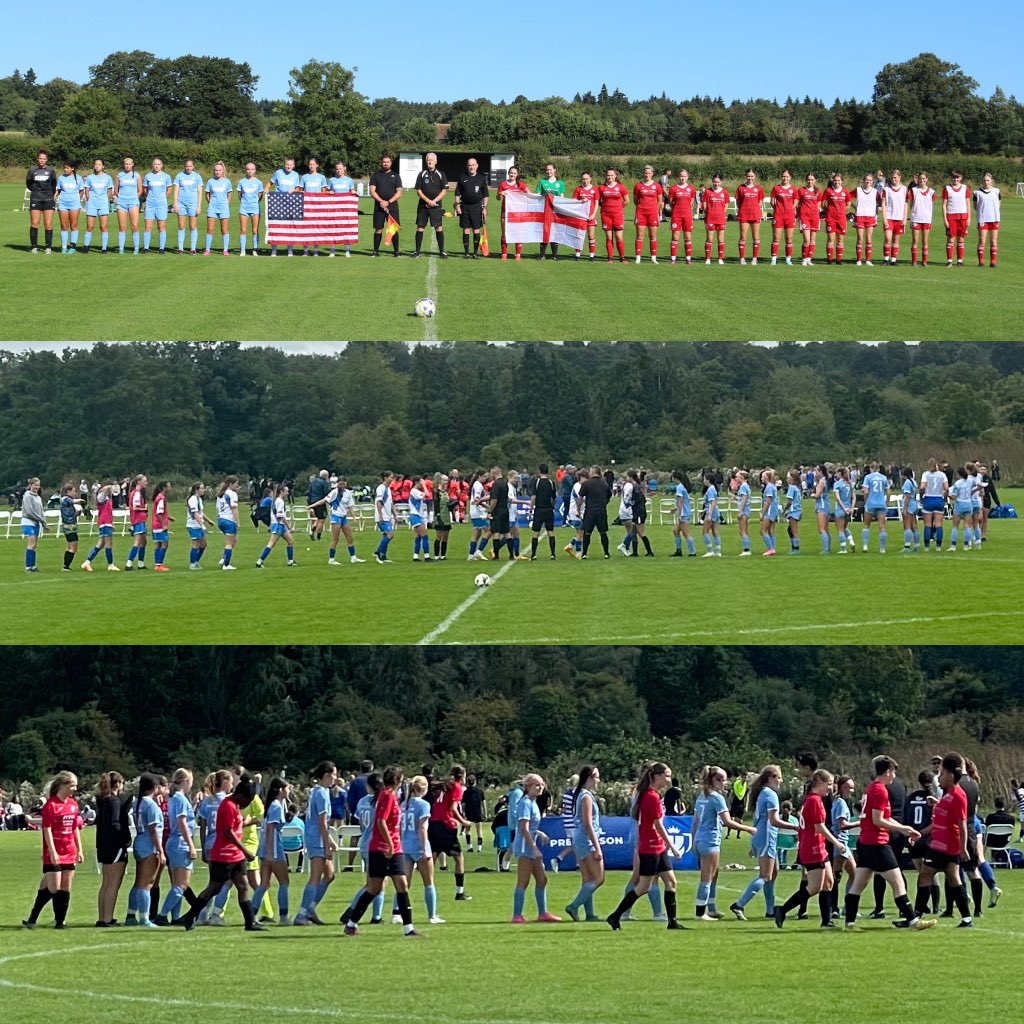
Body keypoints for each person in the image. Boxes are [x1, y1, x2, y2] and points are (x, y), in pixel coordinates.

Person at [842, 755, 933, 931]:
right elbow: (878, 820)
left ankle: (850, 923)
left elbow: (885, 816)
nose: (894, 776)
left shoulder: (871, 788)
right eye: (893, 772)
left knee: (858, 884)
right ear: (887, 771)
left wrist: (905, 828)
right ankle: (914, 921)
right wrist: (901, 830)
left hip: (865, 842)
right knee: (898, 882)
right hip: (877, 844)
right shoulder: (880, 790)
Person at [179, 775, 265, 932]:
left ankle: (250, 922)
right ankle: (190, 915)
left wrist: (249, 821)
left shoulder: (236, 806)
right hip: (224, 855)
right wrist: (246, 851)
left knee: (243, 886)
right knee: (214, 888)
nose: (247, 804)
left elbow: (237, 825)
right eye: (247, 800)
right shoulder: (228, 805)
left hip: (236, 855)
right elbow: (228, 832)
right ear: (240, 796)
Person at [344, 766, 422, 937]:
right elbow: (381, 821)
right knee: (374, 888)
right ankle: (351, 923)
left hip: (394, 847)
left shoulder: (391, 795)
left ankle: (408, 927)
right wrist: (390, 844)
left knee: (401, 884)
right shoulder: (387, 795)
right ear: (397, 780)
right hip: (383, 848)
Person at [606, 763, 683, 930]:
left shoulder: (653, 795)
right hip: (651, 848)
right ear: (657, 776)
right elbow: (657, 825)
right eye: (666, 776)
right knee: (643, 887)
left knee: (671, 882)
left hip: (658, 847)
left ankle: (672, 922)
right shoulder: (651, 797)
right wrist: (673, 846)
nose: (668, 780)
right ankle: (615, 916)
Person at [774, 770, 847, 928]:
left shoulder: (815, 799)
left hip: (818, 845)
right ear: (819, 782)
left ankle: (826, 921)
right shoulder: (813, 800)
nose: (830, 788)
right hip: (813, 847)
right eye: (828, 784)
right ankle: (782, 910)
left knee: (829, 882)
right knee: (815, 887)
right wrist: (837, 842)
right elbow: (819, 827)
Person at [913, 754, 973, 926]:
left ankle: (915, 917)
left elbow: (961, 824)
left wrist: (963, 848)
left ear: (951, 776)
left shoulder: (958, 795)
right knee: (954, 879)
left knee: (925, 875)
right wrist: (921, 833)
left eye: (943, 774)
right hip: (941, 843)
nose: (939, 777)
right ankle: (967, 918)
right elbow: (939, 821)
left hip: (944, 845)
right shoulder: (948, 795)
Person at [731, 765, 795, 920]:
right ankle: (739, 904)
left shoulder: (763, 794)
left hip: (762, 835)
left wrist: (754, 842)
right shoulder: (770, 794)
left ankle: (770, 910)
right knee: (765, 875)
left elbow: (757, 819)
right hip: (767, 836)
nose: (781, 780)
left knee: (773, 872)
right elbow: (774, 820)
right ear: (771, 777)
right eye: (779, 777)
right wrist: (796, 827)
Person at [23, 770, 83, 929]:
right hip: (54, 852)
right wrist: (53, 852)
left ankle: (59, 922)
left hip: (69, 851)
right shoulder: (51, 805)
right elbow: (46, 829)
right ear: (63, 785)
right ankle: (34, 916)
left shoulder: (73, 805)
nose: (75, 789)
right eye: (72, 785)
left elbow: (75, 828)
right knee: (53, 887)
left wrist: (79, 849)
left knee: (65, 887)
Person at [693, 766, 754, 920]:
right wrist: (748, 828)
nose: (725, 783)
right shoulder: (716, 798)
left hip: (700, 839)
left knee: (714, 875)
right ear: (715, 780)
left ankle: (711, 908)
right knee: (706, 878)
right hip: (710, 840)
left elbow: (695, 822)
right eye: (723, 780)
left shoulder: (702, 796)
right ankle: (700, 913)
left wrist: (694, 841)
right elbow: (727, 821)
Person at [509, 773, 560, 923]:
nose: (540, 787)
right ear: (528, 787)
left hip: (530, 844)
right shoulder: (525, 803)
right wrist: (534, 848)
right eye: (536, 785)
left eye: (542, 784)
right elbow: (523, 828)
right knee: (523, 881)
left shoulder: (533, 802)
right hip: (526, 846)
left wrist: (540, 833)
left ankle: (543, 913)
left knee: (542, 879)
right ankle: (517, 915)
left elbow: (530, 826)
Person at [294, 761, 338, 925]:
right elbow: (322, 822)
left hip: (316, 836)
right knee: (315, 876)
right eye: (334, 774)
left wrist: (330, 841)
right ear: (326, 775)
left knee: (329, 875)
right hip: (317, 839)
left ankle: (310, 909)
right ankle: (302, 914)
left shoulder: (317, 791)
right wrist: (327, 845)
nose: (335, 778)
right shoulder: (322, 793)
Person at [156, 769, 198, 925]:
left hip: (174, 843)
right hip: (180, 842)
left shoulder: (174, 799)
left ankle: (175, 916)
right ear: (186, 781)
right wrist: (191, 845)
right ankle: (162, 915)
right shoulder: (180, 799)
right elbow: (181, 823)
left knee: (177, 883)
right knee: (182, 883)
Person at [401, 775, 444, 924]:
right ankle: (432, 915)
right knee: (429, 882)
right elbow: (422, 828)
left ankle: (397, 913)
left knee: (404, 883)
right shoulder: (424, 805)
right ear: (424, 789)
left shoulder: (403, 804)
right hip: (419, 846)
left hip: (405, 846)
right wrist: (425, 848)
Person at [564, 766, 604, 922]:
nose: (599, 780)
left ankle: (590, 914)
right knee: (599, 878)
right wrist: (597, 847)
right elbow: (588, 824)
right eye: (597, 777)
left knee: (587, 879)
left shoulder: (580, 794)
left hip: (580, 838)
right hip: (586, 839)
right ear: (590, 777)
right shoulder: (586, 796)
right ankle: (574, 906)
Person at [250, 776, 291, 926]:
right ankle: (284, 916)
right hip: (274, 848)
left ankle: (252, 915)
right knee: (284, 882)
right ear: (280, 790)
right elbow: (271, 829)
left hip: (265, 849)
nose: (288, 791)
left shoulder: (272, 805)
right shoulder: (276, 806)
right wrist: (270, 852)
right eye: (286, 788)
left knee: (264, 884)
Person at [428, 765, 473, 902]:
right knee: (459, 858)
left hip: (434, 823)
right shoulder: (457, 787)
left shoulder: (445, 785)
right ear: (462, 775)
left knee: (433, 858)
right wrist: (464, 821)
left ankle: (429, 889)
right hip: (445, 825)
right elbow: (453, 808)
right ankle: (459, 892)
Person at [126, 773, 165, 928]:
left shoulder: (138, 803)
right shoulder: (151, 805)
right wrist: (160, 851)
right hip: (149, 845)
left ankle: (131, 914)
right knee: (147, 883)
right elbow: (153, 830)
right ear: (155, 787)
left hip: (139, 841)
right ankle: (144, 918)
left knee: (138, 882)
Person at [95, 771, 131, 926]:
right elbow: (115, 824)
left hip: (103, 846)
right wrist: (125, 839)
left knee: (106, 883)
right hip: (115, 846)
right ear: (118, 783)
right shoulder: (114, 801)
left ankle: (102, 917)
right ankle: (108, 918)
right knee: (113, 884)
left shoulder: (103, 801)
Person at [413, 152, 448, 259]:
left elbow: (444, 190)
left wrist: (435, 201)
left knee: (438, 228)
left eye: (432, 159)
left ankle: (442, 252)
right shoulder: (422, 174)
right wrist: (428, 201)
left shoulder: (441, 174)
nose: (430, 161)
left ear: (436, 161)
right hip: (423, 206)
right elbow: (418, 190)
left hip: (436, 206)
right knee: (420, 227)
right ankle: (417, 252)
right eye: (428, 160)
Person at [454, 157, 489, 258]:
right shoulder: (462, 177)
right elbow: (457, 193)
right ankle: (466, 253)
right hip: (464, 206)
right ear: (467, 166)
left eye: (473, 165)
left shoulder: (482, 178)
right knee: (466, 229)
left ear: (477, 166)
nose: (471, 167)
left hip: (477, 207)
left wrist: (484, 208)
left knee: (476, 229)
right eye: (469, 165)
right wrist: (457, 205)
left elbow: (486, 195)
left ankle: (475, 253)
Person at [255, 484, 296, 568]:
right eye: (286, 491)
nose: (288, 493)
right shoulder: (280, 501)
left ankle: (290, 561)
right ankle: (260, 561)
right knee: (271, 543)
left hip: (279, 525)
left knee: (290, 541)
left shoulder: (276, 500)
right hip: (278, 525)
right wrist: (289, 527)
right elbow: (280, 516)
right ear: (281, 492)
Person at [370, 155, 403, 257]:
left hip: (392, 207)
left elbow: (399, 192)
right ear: (382, 163)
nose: (385, 163)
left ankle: (396, 252)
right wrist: (381, 201)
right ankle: (375, 252)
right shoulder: (375, 175)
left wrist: (388, 202)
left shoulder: (396, 176)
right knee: (378, 229)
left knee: (393, 228)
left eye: (387, 162)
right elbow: (372, 191)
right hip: (379, 207)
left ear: (391, 163)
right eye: (384, 162)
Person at [26, 149, 57, 253]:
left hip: (48, 199)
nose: (42, 160)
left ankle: (48, 247)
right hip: (35, 198)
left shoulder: (51, 170)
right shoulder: (31, 170)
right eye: (40, 158)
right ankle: (34, 247)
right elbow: (29, 184)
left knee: (48, 224)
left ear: (46, 160)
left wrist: (48, 194)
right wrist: (36, 192)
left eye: (44, 159)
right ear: (37, 159)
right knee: (35, 223)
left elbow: (54, 184)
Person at [269, 157, 301, 256]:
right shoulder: (278, 172)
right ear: (284, 164)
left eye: (291, 164)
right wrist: (266, 191)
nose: (289, 166)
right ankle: (274, 250)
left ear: (293, 165)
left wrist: (295, 191)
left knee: (289, 226)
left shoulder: (296, 175)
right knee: (276, 226)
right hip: (277, 203)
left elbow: (298, 189)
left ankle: (290, 250)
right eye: (287, 164)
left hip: (291, 204)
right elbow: (270, 183)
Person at [597, 167, 630, 263]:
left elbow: (627, 201)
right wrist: (606, 208)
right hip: (606, 215)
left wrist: (619, 208)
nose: (610, 177)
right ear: (606, 176)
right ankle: (610, 257)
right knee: (609, 237)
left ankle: (622, 258)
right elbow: (598, 201)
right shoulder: (602, 188)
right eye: (608, 175)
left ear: (615, 176)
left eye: (612, 175)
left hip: (618, 215)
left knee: (619, 237)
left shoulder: (621, 187)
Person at [497, 165, 529, 261]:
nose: (513, 174)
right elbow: (497, 198)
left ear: (517, 174)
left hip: (517, 213)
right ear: (508, 173)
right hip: (505, 212)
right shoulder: (503, 184)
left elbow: (529, 195)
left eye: (514, 173)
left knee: (517, 233)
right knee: (504, 233)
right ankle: (504, 254)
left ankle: (518, 254)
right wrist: (500, 194)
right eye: (511, 173)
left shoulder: (521, 184)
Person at [579, 466, 612, 559]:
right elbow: (609, 495)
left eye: (590, 471)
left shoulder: (586, 483)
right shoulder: (604, 483)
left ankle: (584, 553)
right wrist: (604, 503)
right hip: (601, 510)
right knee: (603, 532)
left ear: (593, 472)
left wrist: (577, 509)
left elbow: (580, 497)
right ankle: (606, 553)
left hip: (590, 510)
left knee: (587, 532)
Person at [633, 165, 663, 264]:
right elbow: (635, 200)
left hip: (653, 213)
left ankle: (653, 258)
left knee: (653, 236)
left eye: (649, 173)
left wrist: (655, 210)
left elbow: (659, 201)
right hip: (641, 213)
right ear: (643, 173)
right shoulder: (638, 186)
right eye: (646, 173)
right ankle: (638, 257)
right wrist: (641, 207)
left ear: (652, 174)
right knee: (640, 236)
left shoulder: (657, 186)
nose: (647, 175)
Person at [141, 157, 172, 253]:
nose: (157, 166)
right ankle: (146, 248)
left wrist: (163, 198)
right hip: (150, 204)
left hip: (161, 204)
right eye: (155, 164)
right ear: (152, 165)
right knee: (148, 227)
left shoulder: (166, 176)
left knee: (161, 227)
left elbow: (169, 190)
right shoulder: (148, 176)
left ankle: (161, 248)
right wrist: (150, 198)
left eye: (158, 164)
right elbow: (145, 190)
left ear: (162, 165)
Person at [83, 159, 114, 253]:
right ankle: (86, 246)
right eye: (96, 164)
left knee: (103, 227)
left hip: (103, 204)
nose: (97, 166)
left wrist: (106, 199)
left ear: (103, 166)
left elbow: (110, 190)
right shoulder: (89, 177)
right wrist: (88, 198)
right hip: (92, 204)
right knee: (90, 226)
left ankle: (104, 248)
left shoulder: (108, 178)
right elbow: (87, 189)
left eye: (99, 164)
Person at [55, 160, 85, 254]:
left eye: (67, 168)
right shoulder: (61, 178)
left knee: (74, 225)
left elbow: (81, 191)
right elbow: (58, 190)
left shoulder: (79, 178)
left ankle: (72, 247)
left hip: (74, 205)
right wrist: (55, 196)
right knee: (64, 226)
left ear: (72, 168)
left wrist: (76, 200)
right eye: (64, 167)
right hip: (63, 204)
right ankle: (64, 247)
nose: (65, 169)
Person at [529, 463, 558, 561]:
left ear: (539, 471)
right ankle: (553, 554)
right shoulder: (551, 482)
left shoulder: (536, 482)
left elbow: (533, 496)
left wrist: (531, 508)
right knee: (550, 532)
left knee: (536, 532)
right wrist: (552, 507)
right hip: (549, 509)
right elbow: (555, 497)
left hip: (539, 509)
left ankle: (533, 555)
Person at [536, 163, 566, 260]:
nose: (549, 171)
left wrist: (561, 208)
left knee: (555, 231)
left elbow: (562, 197)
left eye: (550, 169)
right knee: (545, 231)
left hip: (555, 211)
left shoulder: (560, 183)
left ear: (555, 170)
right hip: (544, 211)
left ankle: (555, 255)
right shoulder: (542, 182)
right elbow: (537, 196)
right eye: (547, 170)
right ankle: (542, 255)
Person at [735, 168, 765, 264]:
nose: (750, 178)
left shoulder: (759, 188)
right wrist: (744, 208)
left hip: (755, 215)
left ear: (754, 177)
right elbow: (738, 202)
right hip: (744, 215)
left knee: (756, 236)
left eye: (752, 176)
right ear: (745, 176)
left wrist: (754, 208)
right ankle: (742, 258)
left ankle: (754, 259)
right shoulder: (740, 188)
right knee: (743, 236)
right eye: (748, 176)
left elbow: (760, 202)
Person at [114, 156, 142, 255]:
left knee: (134, 226)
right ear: (124, 165)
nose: (128, 166)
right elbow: (116, 190)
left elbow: (140, 190)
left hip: (134, 203)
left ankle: (136, 248)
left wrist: (134, 197)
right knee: (122, 227)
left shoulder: (137, 175)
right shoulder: (119, 175)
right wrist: (121, 198)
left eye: (129, 164)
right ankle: (121, 248)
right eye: (126, 164)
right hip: (121, 203)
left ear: (132, 165)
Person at [943, 169, 971, 266]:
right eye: (954, 177)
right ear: (951, 178)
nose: (955, 179)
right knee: (951, 238)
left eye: (957, 177)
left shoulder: (965, 188)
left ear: (961, 178)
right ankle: (949, 261)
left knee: (961, 239)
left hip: (962, 216)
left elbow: (968, 203)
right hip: (951, 216)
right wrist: (945, 219)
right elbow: (944, 204)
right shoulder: (947, 188)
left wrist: (969, 217)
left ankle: (959, 261)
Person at [919, 457, 948, 551]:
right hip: (939, 498)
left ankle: (927, 546)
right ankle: (938, 546)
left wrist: (921, 496)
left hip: (928, 499)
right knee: (939, 524)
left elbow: (922, 487)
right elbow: (947, 488)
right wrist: (944, 498)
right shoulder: (942, 475)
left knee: (927, 524)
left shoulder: (925, 474)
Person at [204, 161, 232, 256]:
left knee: (224, 230)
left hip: (224, 208)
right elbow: (207, 194)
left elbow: (229, 195)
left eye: (219, 170)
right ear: (214, 171)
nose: (217, 172)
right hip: (212, 208)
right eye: (216, 170)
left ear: (223, 170)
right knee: (210, 229)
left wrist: (226, 205)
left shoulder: (227, 182)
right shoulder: (210, 181)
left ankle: (225, 250)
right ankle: (207, 250)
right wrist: (211, 203)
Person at [908, 171, 936, 266]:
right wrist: (914, 212)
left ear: (927, 179)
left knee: (925, 241)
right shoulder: (913, 190)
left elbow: (931, 205)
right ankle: (914, 261)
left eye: (924, 178)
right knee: (915, 240)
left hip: (926, 219)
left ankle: (924, 261)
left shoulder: (931, 192)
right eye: (920, 178)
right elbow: (911, 204)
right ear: (918, 179)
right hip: (916, 218)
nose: (922, 180)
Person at [668, 168, 697, 264]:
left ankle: (688, 259)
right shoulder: (673, 188)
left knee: (688, 237)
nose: (683, 178)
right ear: (678, 177)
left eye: (685, 176)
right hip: (676, 215)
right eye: (681, 176)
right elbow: (671, 202)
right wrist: (676, 209)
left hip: (687, 216)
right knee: (675, 237)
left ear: (687, 177)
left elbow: (692, 202)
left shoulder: (691, 188)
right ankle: (673, 259)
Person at [822, 173, 851, 264]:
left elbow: (849, 204)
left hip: (841, 219)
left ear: (842, 181)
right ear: (833, 181)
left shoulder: (845, 191)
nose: (837, 182)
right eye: (835, 180)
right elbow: (823, 204)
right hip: (831, 218)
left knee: (840, 239)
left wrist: (842, 210)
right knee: (831, 239)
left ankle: (838, 260)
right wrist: (828, 211)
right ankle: (829, 260)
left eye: (839, 180)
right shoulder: (828, 191)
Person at [184, 481, 215, 569]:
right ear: (196, 490)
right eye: (202, 488)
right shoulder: (193, 499)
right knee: (195, 544)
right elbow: (195, 514)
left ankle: (196, 560)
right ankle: (192, 563)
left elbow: (200, 513)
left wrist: (208, 520)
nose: (203, 490)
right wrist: (203, 525)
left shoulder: (199, 499)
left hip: (198, 525)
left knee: (203, 544)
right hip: (193, 525)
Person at [861, 461, 890, 553]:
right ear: (878, 468)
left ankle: (865, 546)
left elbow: (865, 491)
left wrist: (866, 502)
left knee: (866, 525)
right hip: (881, 504)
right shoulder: (884, 478)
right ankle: (882, 548)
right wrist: (886, 503)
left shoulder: (868, 477)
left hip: (871, 503)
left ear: (871, 468)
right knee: (882, 526)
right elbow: (888, 492)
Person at [769, 169, 796, 265]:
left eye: (787, 176)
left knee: (789, 239)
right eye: (784, 176)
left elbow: (795, 202)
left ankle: (788, 259)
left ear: (790, 177)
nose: (785, 178)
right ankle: (773, 259)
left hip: (789, 216)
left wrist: (790, 210)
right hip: (778, 216)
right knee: (776, 238)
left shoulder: (793, 189)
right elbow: (772, 202)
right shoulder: (776, 188)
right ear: (781, 177)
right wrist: (778, 210)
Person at [700, 173, 729, 264]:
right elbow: (704, 206)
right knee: (709, 239)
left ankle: (720, 259)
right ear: (712, 181)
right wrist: (709, 214)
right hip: (710, 218)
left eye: (718, 182)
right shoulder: (708, 192)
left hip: (720, 219)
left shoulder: (725, 192)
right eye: (715, 182)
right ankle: (708, 259)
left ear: (721, 182)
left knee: (720, 239)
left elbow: (726, 206)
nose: (716, 184)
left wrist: (721, 214)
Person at [237, 162, 265, 256]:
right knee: (243, 229)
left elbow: (260, 196)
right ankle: (243, 250)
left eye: (252, 169)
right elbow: (239, 195)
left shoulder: (259, 182)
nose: (250, 171)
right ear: (245, 170)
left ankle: (255, 249)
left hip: (255, 208)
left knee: (255, 230)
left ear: (255, 170)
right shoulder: (241, 182)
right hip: (244, 208)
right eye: (248, 169)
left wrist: (254, 202)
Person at [881, 169, 907, 266]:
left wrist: (904, 218)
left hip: (899, 218)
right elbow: (883, 203)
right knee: (888, 238)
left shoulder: (904, 189)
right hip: (889, 217)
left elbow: (906, 204)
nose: (893, 179)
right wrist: (884, 218)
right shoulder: (886, 189)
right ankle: (885, 259)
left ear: (900, 177)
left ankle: (893, 260)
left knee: (896, 239)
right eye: (892, 177)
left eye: (895, 177)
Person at [974, 172, 1000, 268]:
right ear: (982, 181)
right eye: (984, 180)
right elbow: (975, 207)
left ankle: (993, 262)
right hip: (982, 220)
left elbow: (998, 205)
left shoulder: (997, 191)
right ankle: (981, 262)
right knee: (982, 240)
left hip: (994, 219)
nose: (986, 182)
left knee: (993, 241)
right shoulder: (977, 192)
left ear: (991, 181)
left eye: (988, 180)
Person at [123, 473, 149, 570]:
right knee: (138, 542)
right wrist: (144, 509)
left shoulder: (136, 492)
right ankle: (129, 563)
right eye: (144, 481)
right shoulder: (137, 493)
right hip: (138, 519)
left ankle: (141, 563)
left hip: (140, 519)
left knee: (144, 542)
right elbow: (135, 507)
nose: (146, 482)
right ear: (139, 482)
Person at [21, 476, 46, 573]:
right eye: (35, 485)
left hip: (36, 523)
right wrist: (40, 519)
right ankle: (28, 567)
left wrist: (43, 521)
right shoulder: (27, 496)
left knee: (34, 544)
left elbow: (41, 511)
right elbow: (29, 511)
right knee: (31, 544)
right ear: (30, 485)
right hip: (28, 522)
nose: (37, 487)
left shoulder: (38, 497)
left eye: (38, 485)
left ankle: (33, 566)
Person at [852, 173, 879, 266]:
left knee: (869, 238)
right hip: (860, 216)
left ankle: (868, 260)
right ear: (863, 181)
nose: (868, 182)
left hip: (870, 217)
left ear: (872, 182)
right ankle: (859, 260)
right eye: (866, 180)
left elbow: (882, 201)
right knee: (860, 238)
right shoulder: (858, 190)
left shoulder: (875, 191)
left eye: (870, 180)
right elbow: (847, 197)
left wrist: (878, 208)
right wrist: (854, 207)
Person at [215, 475, 241, 570]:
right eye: (236, 484)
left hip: (221, 520)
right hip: (229, 520)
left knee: (234, 540)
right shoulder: (232, 494)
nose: (237, 486)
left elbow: (218, 508)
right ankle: (226, 564)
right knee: (229, 543)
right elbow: (234, 509)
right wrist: (237, 522)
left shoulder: (221, 494)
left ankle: (223, 559)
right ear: (230, 484)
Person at [796, 172, 822, 265]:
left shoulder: (818, 191)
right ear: (806, 180)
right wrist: (798, 214)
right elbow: (798, 204)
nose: (810, 181)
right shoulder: (801, 190)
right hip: (804, 217)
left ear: (815, 180)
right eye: (808, 179)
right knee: (806, 240)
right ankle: (804, 259)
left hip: (815, 217)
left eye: (812, 179)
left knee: (812, 239)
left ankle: (809, 259)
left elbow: (819, 204)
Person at [670, 470, 696, 557]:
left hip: (684, 513)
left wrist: (679, 514)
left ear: (675, 478)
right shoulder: (682, 487)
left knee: (686, 533)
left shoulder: (679, 488)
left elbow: (680, 501)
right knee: (675, 531)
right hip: (685, 511)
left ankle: (692, 552)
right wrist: (675, 508)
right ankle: (678, 550)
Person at [573, 171, 598, 260]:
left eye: (587, 179)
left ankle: (591, 256)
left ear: (590, 179)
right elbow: (574, 203)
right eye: (583, 179)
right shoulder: (578, 189)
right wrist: (581, 201)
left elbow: (596, 203)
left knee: (591, 236)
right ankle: (577, 255)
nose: (585, 181)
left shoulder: (595, 189)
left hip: (591, 217)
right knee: (579, 236)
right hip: (580, 216)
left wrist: (593, 215)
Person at [371, 471, 396, 565]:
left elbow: (390, 503)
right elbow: (378, 502)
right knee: (390, 535)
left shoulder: (388, 489)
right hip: (382, 516)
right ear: (385, 478)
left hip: (387, 516)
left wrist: (395, 514)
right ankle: (377, 552)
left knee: (386, 536)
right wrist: (380, 515)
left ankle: (383, 556)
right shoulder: (381, 488)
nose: (392, 479)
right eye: (391, 477)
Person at [949, 465, 975, 552]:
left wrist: (947, 494)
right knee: (967, 526)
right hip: (968, 503)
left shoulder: (957, 483)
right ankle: (966, 545)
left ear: (959, 474)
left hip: (960, 504)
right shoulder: (970, 481)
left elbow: (954, 497)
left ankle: (953, 546)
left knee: (955, 526)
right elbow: (976, 486)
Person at [150, 480, 174, 572]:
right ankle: (159, 565)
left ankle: (157, 564)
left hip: (155, 525)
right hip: (159, 526)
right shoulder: (161, 498)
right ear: (164, 488)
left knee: (158, 545)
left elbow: (159, 512)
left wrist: (167, 517)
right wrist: (164, 524)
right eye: (169, 486)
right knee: (164, 544)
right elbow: (159, 513)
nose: (170, 488)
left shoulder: (158, 497)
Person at [700, 470, 722, 557]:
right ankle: (718, 551)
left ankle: (710, 551)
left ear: (708, 480)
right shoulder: (713, 489)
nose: (703, 481)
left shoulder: (710, 489)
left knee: (705, 531)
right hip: (714, 512)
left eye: (704, 479)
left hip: (711, 512)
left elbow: (712, 502)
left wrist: (709, 514)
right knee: (715, 532)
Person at [900, 467, 920, 553]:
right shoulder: (914, 482)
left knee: (907, 525)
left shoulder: (907, 483)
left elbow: (907, 496)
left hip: (909, 505)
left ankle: (907, 546)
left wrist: (904, 508)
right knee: (914, 525)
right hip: (915, 504)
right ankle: (916, 545)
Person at [760, 469, 779, 557]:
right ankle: (773, 549)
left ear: (767, 478)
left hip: (770, 511)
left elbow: (768, 501)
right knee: (771, 530)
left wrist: (762, 513)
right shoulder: (772, 486)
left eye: (763, 477)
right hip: (773, 511)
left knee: (763, 531)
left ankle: (771, 548)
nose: (761, 478)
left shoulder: (769, 487)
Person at [783, 468, 802, 554]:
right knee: (789, 530)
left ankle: (796, 549)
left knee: (794, 530)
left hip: (793, 511)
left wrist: (784, 510)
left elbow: (789, 502)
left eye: (788, 477)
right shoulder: (797, 488)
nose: (786, 479)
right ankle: (793, 547)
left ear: (792, 479)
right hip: (797, 510)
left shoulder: (791, 488)